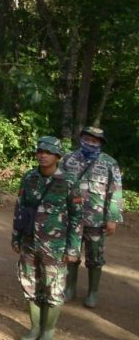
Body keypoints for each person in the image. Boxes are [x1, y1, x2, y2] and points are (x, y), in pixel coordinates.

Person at [12, 136, 82, 340]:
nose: (43, 155)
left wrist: (73, 248)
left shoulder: (69, 181)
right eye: (40, 151)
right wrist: (15, 237)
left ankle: (48, 331)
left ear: (57, 157)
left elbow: (77, 217)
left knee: (53, 288)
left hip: (56, 246)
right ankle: (34, 327)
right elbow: (20, 208)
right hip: (29, 242)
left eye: (48, 152)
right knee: (30, 284)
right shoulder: (29, 177)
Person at [60, 126, 123, 309]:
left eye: (94, 141)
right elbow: (57, 185)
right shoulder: (68, 159)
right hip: (71, 218)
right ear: (81, 139)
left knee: (95, 257)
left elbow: (116, 192)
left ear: (100, 144)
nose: (90, 143)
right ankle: (70, 288)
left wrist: (112, 218)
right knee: (71, 254)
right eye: (87, 139)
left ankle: (92, 292)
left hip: (96, 219)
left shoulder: (110, 164)